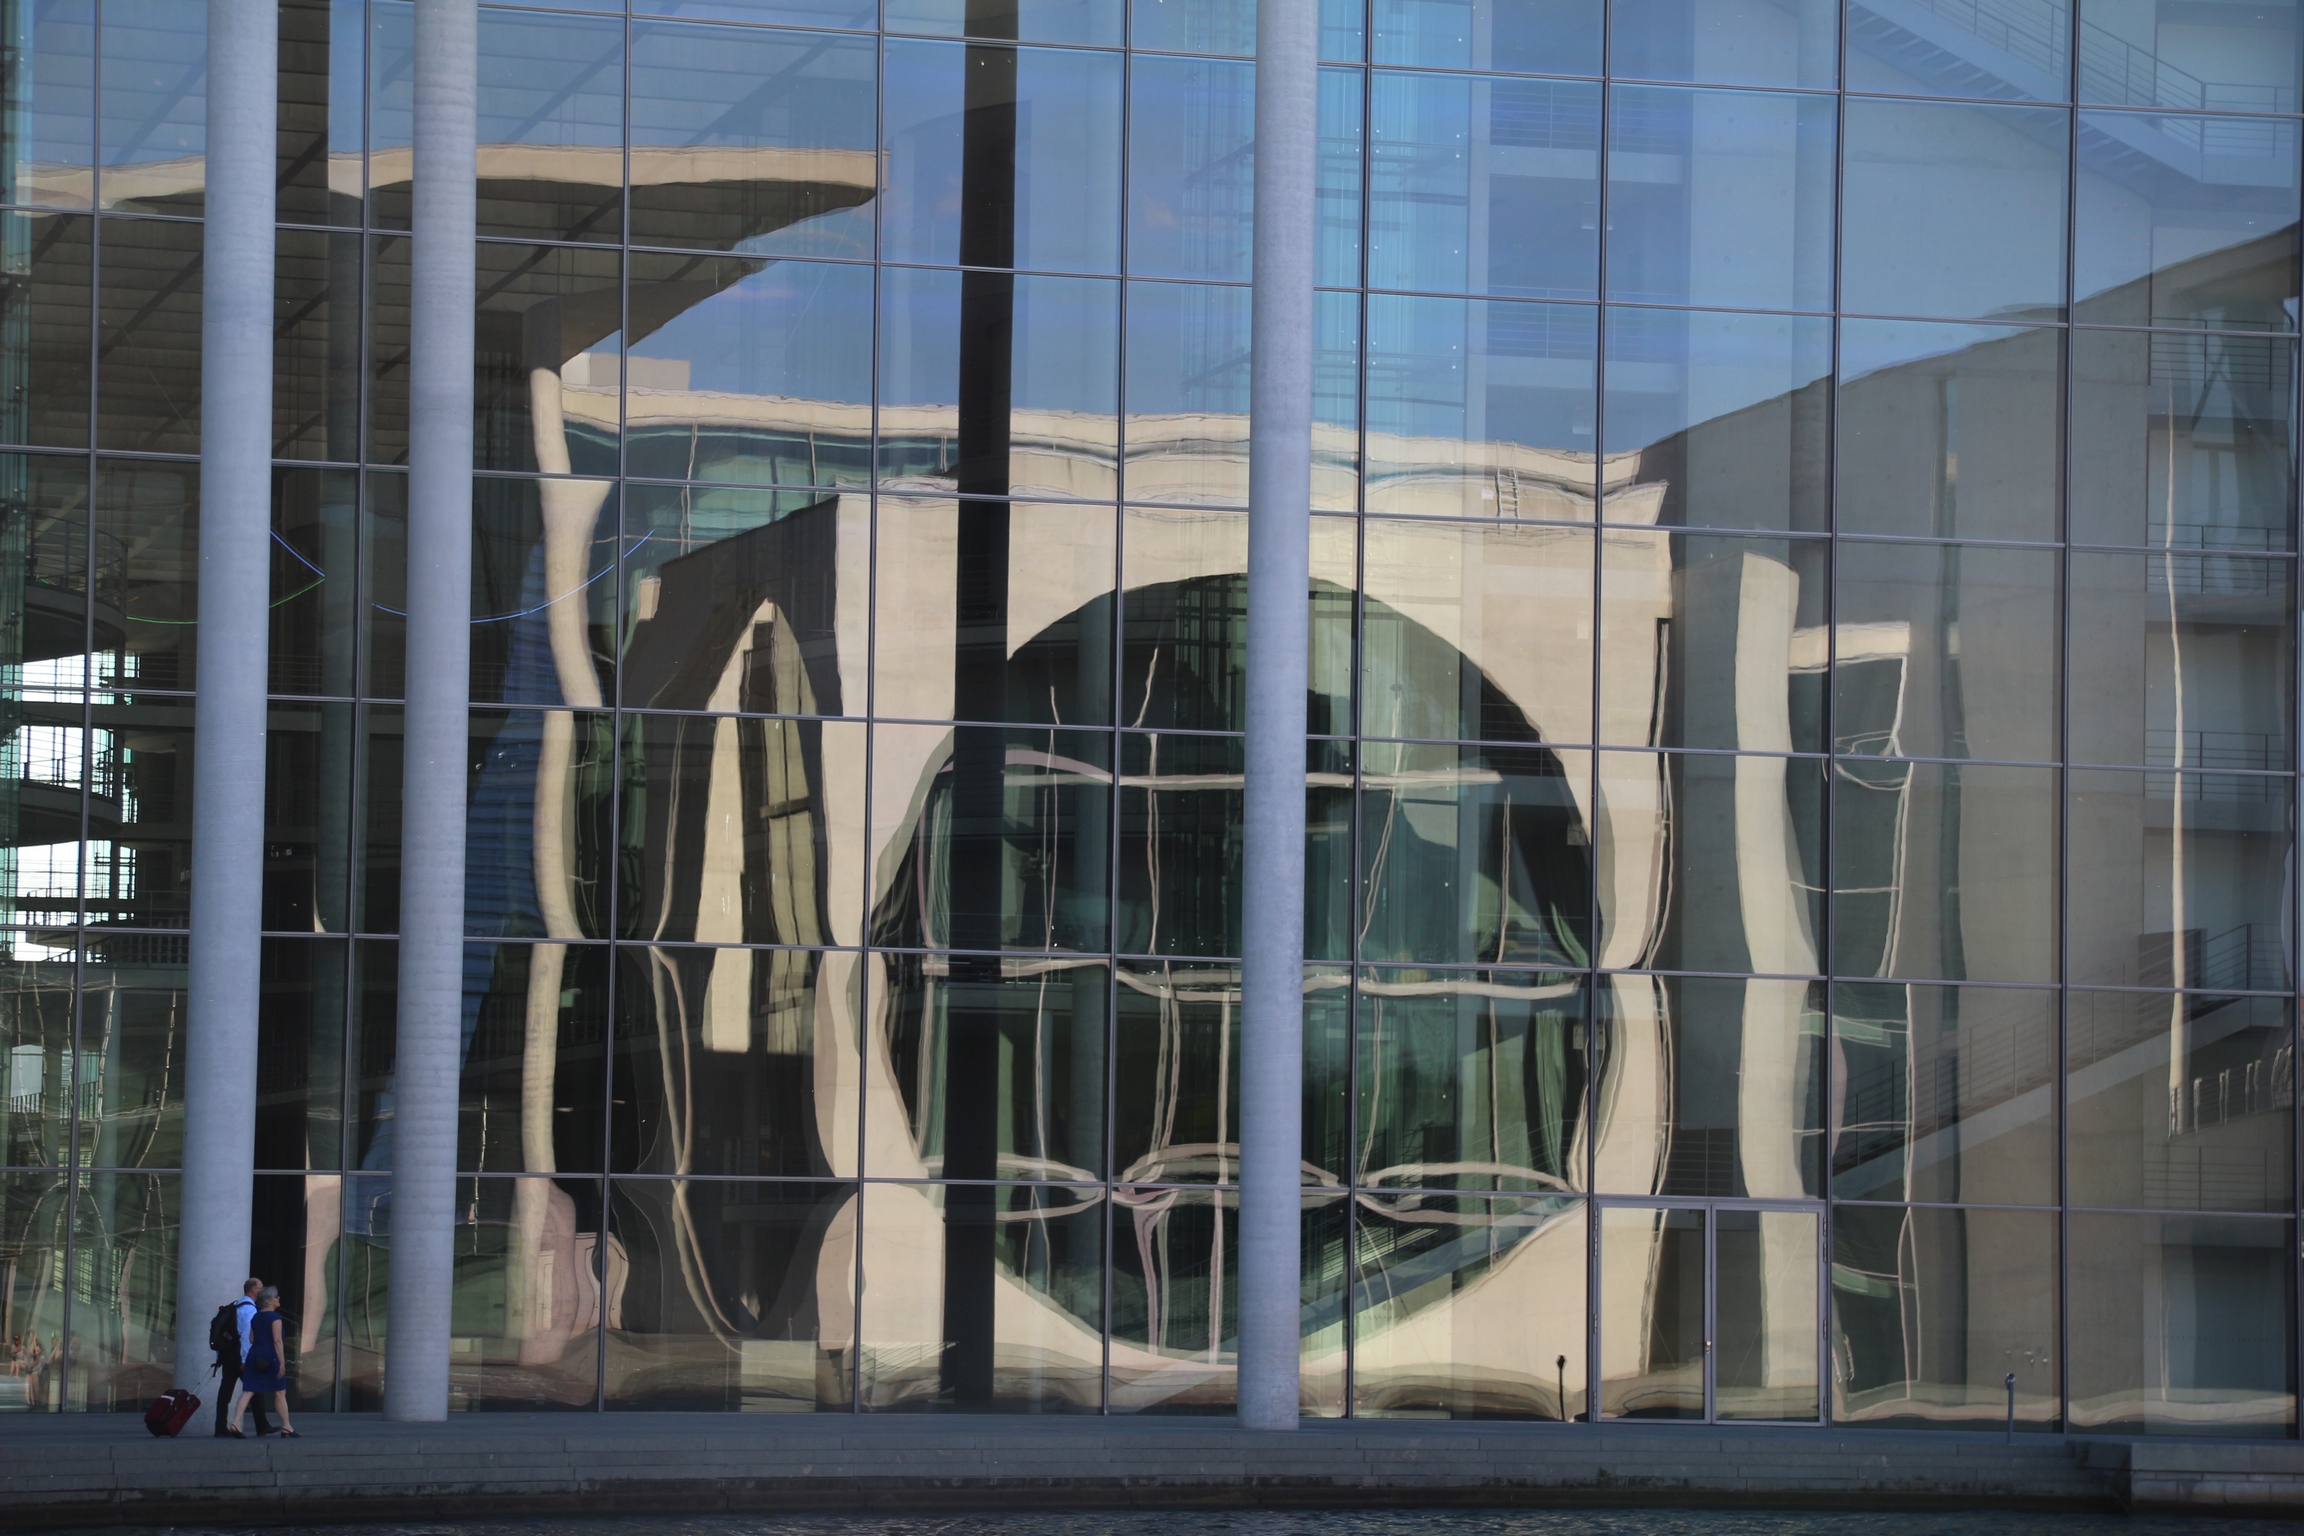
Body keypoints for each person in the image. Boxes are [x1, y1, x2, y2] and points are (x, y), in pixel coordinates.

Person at [227, 1287, 296, 1439]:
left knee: (248, 1390)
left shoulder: (256, 1317)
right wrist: (282, 1362)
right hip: (270, 1356)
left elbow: (251, 1339)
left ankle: (236, 1423)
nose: (278, 1299)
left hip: (255, 1355)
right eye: (276, 1297)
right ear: (269, 1301)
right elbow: (277, 1340)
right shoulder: (275, 1317)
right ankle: (286, 1426)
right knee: (280, 1391)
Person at [214, 1279, 271, 1437]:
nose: (262, 1291)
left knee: (225, 1392)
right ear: (254, 1290)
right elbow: (246, 1336)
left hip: (229, 1354)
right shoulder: (250, 1309)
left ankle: (220, 1427)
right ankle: (262, 1425)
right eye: (261, 1288)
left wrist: (220, 1356)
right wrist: (245, 1360)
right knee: (255, 1388)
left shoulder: (236, 1305)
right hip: (240, 1356)